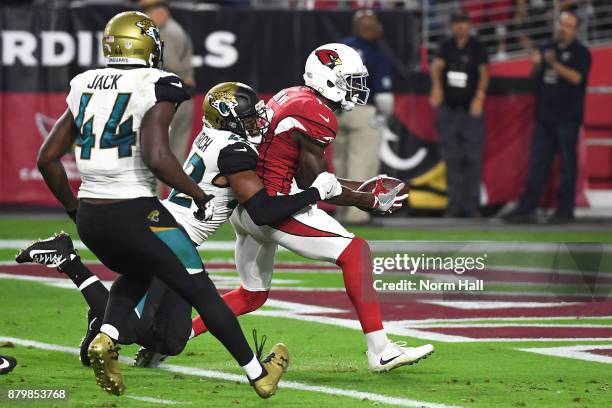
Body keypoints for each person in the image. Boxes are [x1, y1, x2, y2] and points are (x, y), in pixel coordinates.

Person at [34, 11, 290, 398]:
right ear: (148, 45)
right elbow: (157, 156)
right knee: (201, 290)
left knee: (135, 274)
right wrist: (198, 193)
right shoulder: (159, 83)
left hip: (91, 212)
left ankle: (107, 335)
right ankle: (259, 375)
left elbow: (47, 158)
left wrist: (74, 209)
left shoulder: (83, 82)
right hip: (134, 209)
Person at [18, 82, 341, 370]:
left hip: (168, 230)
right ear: (228, 119)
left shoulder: (214, 135)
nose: (257, 123)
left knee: (170, 341)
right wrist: (316, 192)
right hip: (171, 241)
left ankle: (101, 318)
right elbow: (262, 211)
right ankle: (69, 262)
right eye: (248, 118)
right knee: (130, 330)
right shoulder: (234, 150)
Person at [186, 43, 434, 373]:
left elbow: (312, 177)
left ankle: (175, 336)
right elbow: (313, 184)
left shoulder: (293, 95)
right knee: (355, 251)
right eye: (350, 80)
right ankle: (381, 350)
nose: (357, 88)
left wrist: (358, 190)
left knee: (252, 295)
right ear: (328, 79)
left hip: (247, 205)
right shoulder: (317, 114)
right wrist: (366, 199)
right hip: (274, 207)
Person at [505, 11, 591, 224]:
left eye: (568, 25)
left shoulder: (581, 53)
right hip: (544, 118)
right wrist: (535, 64)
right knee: (537, 164)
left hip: (567, 119)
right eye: (562, 24)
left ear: (575, 29)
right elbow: (534, 77)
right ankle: (527, 208)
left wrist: (553, 63)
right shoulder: (546, 48)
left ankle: (564, 210)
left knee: (567, 166)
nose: (563, 28)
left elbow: (576, 78)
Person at [335, 9, 394, 224]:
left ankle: (341, 211)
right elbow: (384, 97)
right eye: (374, 25)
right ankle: (356, 214)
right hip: (363, 111)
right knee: (362, 162)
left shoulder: (339, 48)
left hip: (337, 110)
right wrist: (383, 115)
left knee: (340, 164)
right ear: (365, 28)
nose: (379, 29)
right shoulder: (375, 52)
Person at [430, 9, 490, 218]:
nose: (460, 26)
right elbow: (437, 67)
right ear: (452, 25)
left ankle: (472, 206)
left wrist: (479, 98)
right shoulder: (446, 45)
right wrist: (436, 87)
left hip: (470, 111)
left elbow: (484, 73)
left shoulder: (477, 47)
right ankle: (455, 205)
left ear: (469, 24)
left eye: (463, 22)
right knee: (452, 159)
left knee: (473, 159)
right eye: (456, 23)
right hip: (449, 110)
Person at [139, 0, 194, 163]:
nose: (146, 16)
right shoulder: (174, 28)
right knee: (176, 155)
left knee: (158, 154)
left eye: (149, 11)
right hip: (182, 95)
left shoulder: (165, 32)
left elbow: (167, 66)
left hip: (170, 97)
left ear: (162, 11)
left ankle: (155, 190)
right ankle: (178, 190)